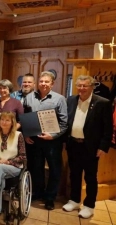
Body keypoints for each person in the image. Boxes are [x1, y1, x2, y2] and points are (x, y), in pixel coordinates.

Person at [62, 75, 112, 218]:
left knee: (90, 177)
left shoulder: (103, 103)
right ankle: (74, 200)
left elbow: (107, 128)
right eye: (79, 85)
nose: (82, 88)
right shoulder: (71, 100)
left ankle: (89, 206)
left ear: (92, 87)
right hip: (73, 144)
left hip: (91, 147)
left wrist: (103, 147)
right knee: (74, 174)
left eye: (85, 86)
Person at [24, 71, 67, 210]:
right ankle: (38, 192)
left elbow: (64, 122)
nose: (43, 84)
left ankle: (50, 197)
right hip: (34, 140)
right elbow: (24, 118)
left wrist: (53, 135)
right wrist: (26, 134)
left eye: (46, 81)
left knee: (55, 169)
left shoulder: (59, 99)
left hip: (52, 141)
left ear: (52, 84)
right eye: (41, 81)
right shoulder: (29, 97)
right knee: (36, 168)